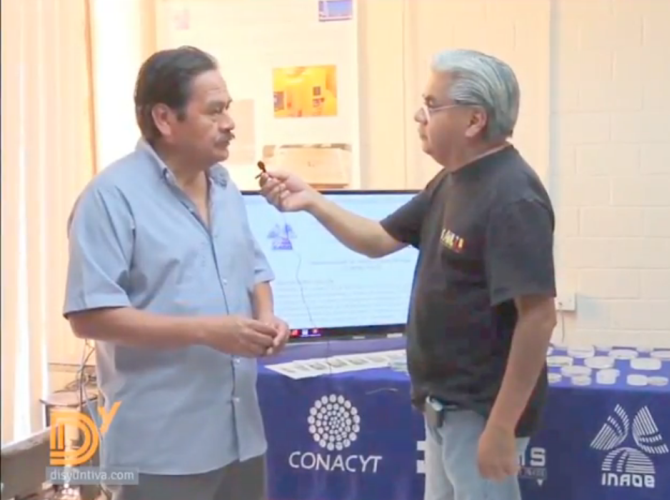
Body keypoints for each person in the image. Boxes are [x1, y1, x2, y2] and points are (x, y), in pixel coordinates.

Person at [260, 49, 557, 500]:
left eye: (432, 105)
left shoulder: (513, 198)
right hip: (444, 406)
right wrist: (313, 200)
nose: (420, 116)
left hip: (480, 411)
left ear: (474, 120)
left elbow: (538, 317)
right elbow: (378, 240)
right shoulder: (453, 179)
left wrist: (501, 425)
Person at [64, 46, 289, 500]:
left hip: (241, 437)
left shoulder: (225, 187)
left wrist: (267, 316)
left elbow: (254, 267)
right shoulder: (110, 198)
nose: (230, 123)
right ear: (165, 119)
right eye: (215, 111)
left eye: (227, 108)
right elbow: (89, 315)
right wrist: (206, 331)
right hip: (161, 450)